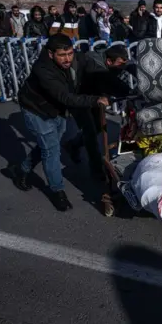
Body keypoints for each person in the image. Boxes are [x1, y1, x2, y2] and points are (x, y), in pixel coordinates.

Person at [12, 34, 109, 211]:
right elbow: (65, 96)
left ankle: (22, 170)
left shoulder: (75, 60)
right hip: (36, 110)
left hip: (56, 108)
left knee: (49, 146)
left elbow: (95, 67)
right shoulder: (43, 69)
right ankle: (57, 191)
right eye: (62, 55)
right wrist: (94, 100)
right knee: (51, 150)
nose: (67, 59)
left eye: (70, 54)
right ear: (51, 54)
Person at [65, 44, 132, 180]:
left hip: (94, 94)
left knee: (97, 126)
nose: (121, 68)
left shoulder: (113, 59)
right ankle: (97, 171)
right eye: (119, 64)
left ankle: (73, 144)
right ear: (109, 61)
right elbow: (110, 82)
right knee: (89, 131)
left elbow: (130, 67)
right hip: (78, 96)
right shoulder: (95, 66)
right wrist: (130, 91)